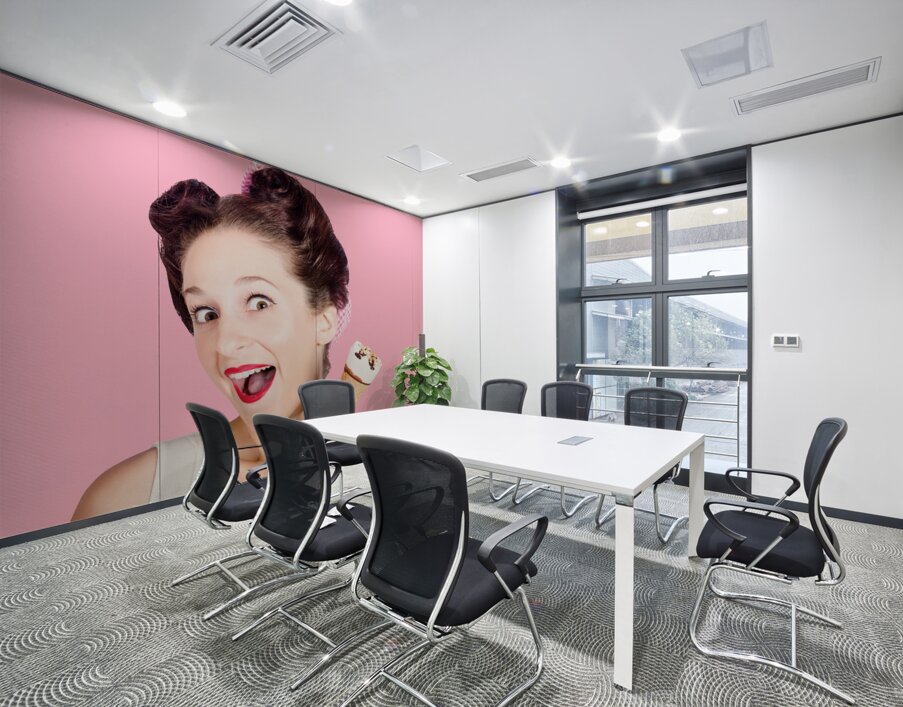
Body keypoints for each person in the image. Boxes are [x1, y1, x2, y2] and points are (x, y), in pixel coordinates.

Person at [72, 166, 364, 520]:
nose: (225, 343)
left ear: (324, 319)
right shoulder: (127, 494)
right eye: (207, 313)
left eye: (258, 302)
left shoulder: (371, 480)